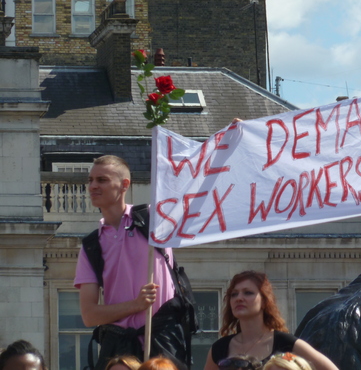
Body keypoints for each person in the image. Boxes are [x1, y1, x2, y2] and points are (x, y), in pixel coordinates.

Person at [74, 155, 189, 370]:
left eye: (102, 180)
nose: (93, 186)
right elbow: (89, 315)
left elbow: (196, 191)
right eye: (90, 180)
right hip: (119, 352)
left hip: (162, 346)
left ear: (124, 184)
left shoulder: (154, 220)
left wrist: (227, 143)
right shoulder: (91, 245)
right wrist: (135, 305)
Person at [203, 271, 339, 370]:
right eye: (234, 294)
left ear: (264, 301)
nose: (239, 298)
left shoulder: (286, 344)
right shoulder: (219, 348)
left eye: (248, 293)